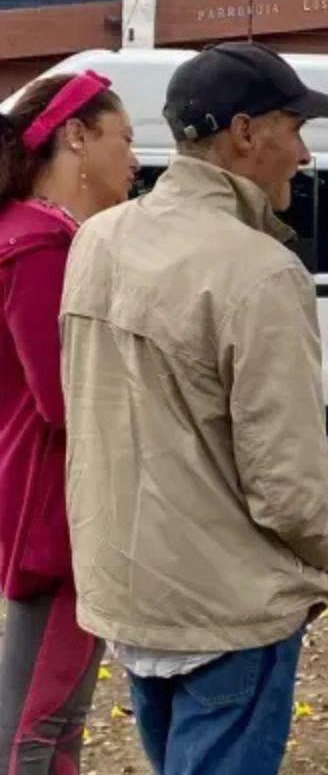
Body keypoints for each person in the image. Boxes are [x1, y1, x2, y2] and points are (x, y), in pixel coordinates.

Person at [59, 43, 328, 775]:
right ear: (245, 132)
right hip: (227, 609)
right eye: (296, 128)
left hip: (130, 592)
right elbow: (287, 490)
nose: (305, 155)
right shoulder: (261, 272)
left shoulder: (96, 240)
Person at [0, 70, 137, 773]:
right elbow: (66, 398)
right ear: (77, 137)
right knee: (35, 728)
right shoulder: (43, 246)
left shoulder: (34, 234)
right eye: (125, 139)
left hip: (46, 505)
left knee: (56, 721)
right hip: (57, 514)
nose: (135, 159)